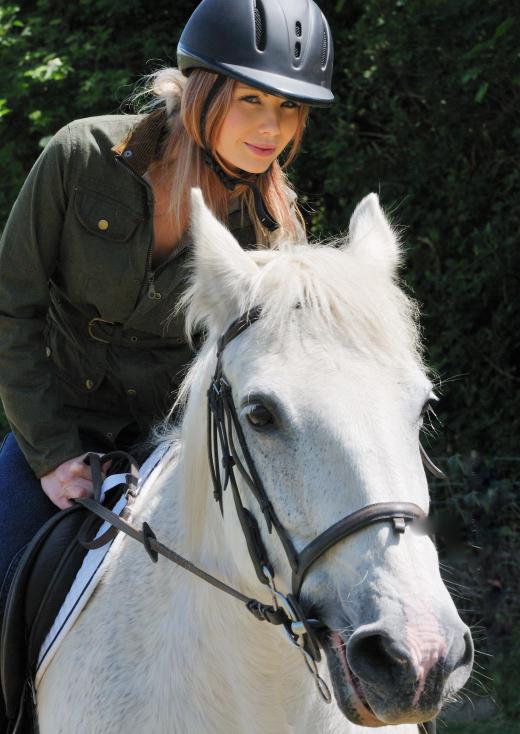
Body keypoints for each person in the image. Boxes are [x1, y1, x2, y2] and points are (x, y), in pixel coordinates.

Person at [0, 0, 333, 726]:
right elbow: (11, 308)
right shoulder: (79, 155)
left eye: (290, 109)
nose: (273, 129)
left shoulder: (274, 227)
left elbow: (278, 374)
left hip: (181, 447)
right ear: (200, 87)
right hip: (58, 429)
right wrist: (52, 454)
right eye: (252, 99)